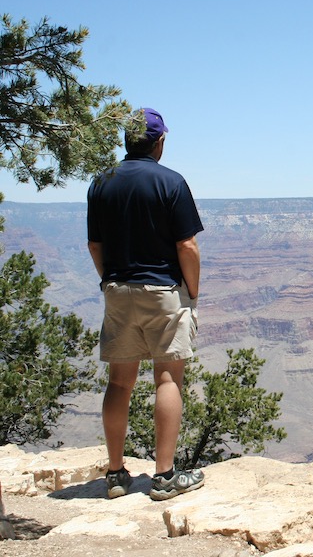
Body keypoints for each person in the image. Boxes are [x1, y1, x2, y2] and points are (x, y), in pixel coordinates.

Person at [87, 108, 205, 501]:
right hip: (163, 291)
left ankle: (116, 474)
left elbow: (94, 244)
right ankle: (165, 477)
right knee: (167, 379)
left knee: (119, 382)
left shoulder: (100, 182)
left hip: (117, 290)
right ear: (159, 142)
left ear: (126, 140)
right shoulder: (170, 181)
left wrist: (109, 281)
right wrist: (192, 290)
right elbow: (186, 245)